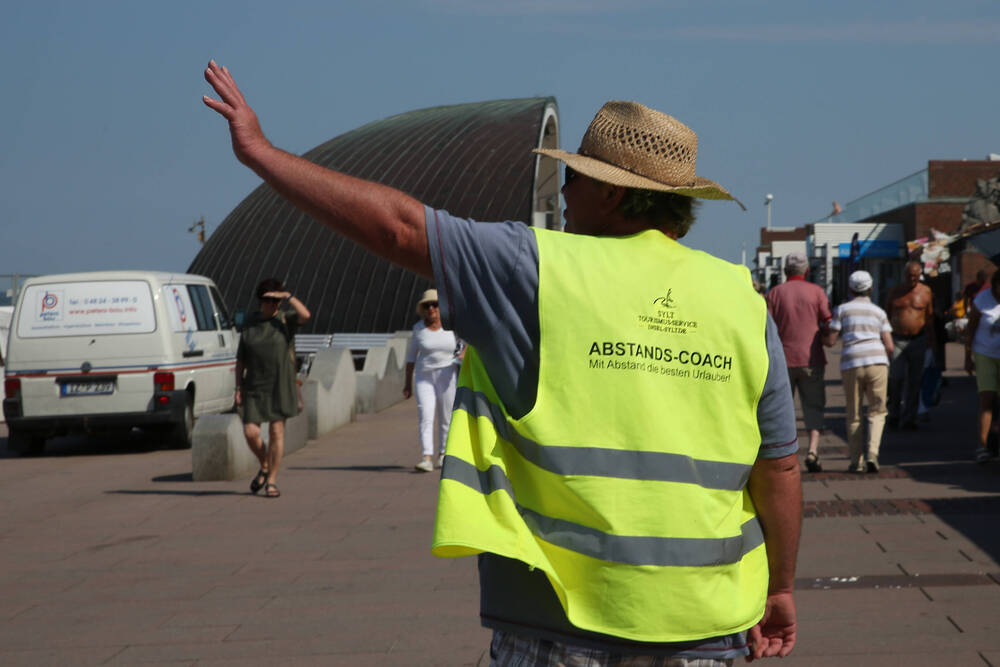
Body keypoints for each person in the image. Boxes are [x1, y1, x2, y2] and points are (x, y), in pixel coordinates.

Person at [203, 61, 801, 663]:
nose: (563, 192)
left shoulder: (537, 268)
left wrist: (263, 154)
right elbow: (778, 468)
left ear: (614, 194)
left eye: (579, 180)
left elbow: (398, 228)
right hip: (709, 623)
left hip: (559, 623)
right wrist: (778, 588)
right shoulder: (740, 300)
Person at [236, 278, 311, 498]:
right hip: (255, 385)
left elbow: (306, 316)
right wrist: (238, 387)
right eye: (269, 300)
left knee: (276, 432)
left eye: (276, 300)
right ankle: (265, 464)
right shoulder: (250, 323)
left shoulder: (285, 320)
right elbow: (241, 358)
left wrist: (288, 297)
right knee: (251, 432)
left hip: (280, 384)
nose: (273, 304)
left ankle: (271, 480)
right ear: (260, 301)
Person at [766, 252, 832, 473]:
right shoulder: (816, 292)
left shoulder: (774, 294)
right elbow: (828, 321)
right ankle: (813, 450)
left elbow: (765, 326)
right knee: (813, 406)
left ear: (785, 271)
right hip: (811, 359)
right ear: (807, 270)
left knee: (781, 410)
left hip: (781, 360)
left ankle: (784, 454)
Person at [823, 271, 894, 473]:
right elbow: (889, 345)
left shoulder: (843, 309)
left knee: (853, 413)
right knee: (877, 410)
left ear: (850, 289)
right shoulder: (879, 312)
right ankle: (873, 453)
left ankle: (856, 460)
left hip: (852, 362)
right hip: (877, 361)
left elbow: (831, 339)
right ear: (871, 289)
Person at [403, 288, 463, 472]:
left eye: (435, 305)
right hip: (425, 377)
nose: (431, 309)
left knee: (446, 416)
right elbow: (411, 357)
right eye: (427, 305)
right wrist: (407, 384)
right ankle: (426, 457)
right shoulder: (419, 329)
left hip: (447, 374)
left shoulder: (452, 327)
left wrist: (462, 355)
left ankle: (443, 454)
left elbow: (466, 344)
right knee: (426, 415)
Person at [885, 261, 935, 430]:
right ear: (904, 274)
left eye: (915, 275)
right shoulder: (895, 292)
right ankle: (894, 413)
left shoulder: (926, 291)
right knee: (896, 378)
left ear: (919, 275)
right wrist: (885, 339)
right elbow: (886, 315)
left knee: (914, 381)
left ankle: (909, 418)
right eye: (909, 275)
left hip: (918, 340)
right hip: (897, 339)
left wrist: (932, 342)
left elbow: (929, 317)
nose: (912, 279)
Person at [965, 269, 1000, 463]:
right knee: (987, 400)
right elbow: (970, 329)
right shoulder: (982, 300)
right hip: (985, 353)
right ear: (995, 285)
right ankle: (982, 445)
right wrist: (967, 357)